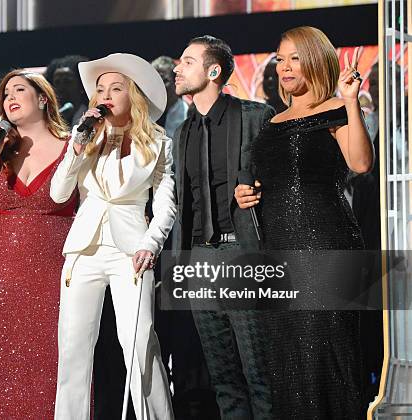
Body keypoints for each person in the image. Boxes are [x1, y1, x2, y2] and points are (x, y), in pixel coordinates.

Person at [235, 26, 373, 418]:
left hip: (325, 245)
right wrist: (248, 193)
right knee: (290, 360)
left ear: (315, 60)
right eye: (281, 59)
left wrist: (349, 103)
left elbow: (361, 163)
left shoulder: (335, 109)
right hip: (280, 250)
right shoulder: (273, 123)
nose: (285, 67)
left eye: (295, 57)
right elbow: (272, 177)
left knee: (325, 355)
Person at [50, 53, 175, 420]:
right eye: (100, 88)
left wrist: (151, 244)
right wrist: (76, 147)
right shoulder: (86, 138)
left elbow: (166, 206)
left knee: (139, 345)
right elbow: (59, 194)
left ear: (133, 95)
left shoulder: (159, 144)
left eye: (115, 87)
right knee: (73, 349)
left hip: (131, 252)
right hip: (84, 250)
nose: (105, 94)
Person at [0, 69, 75, 419]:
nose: (9, 96)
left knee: (49, 365)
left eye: (19, 89)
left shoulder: (74, 148)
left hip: (52, 272)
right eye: (5, 93)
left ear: (42, 98)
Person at [173, 35, 275, 419]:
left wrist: (264, 187)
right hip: (201, 259)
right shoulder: (182, 133)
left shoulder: (254, 117)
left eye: (186, 61)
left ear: (213, 71)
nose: (177, 69)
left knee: (259, 371)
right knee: (222, 376)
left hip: (243, 252)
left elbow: (281, 178)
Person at [44, 55, 89, 126]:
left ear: (81, 84)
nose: (61, 87)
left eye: (67, 82)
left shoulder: (92, 115)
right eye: (57, 82)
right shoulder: (48, 116)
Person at [152, 56, 189, 138]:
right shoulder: (144, 113)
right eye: (156, 80)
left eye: (165, 80)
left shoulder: (188, 114)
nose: (160, 86)